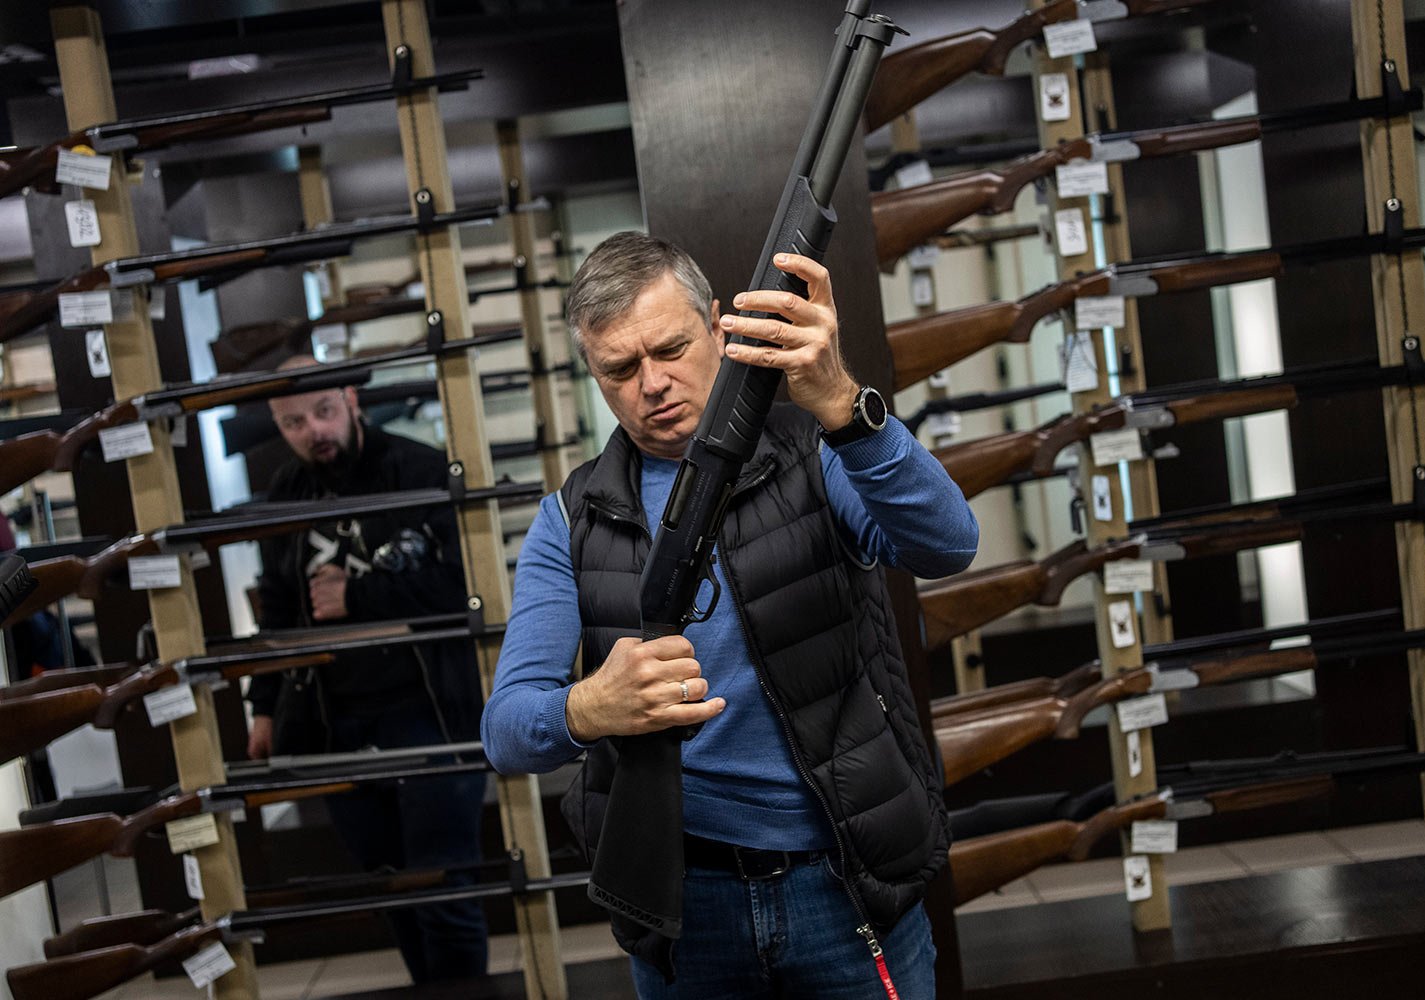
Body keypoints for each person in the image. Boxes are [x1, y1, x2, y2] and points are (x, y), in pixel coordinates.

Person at [482, 232, 978, 999]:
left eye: (671, 348)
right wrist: (589, 706)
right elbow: (508, 730)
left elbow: (949, 544)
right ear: (594, 375)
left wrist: (845, 406)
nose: (653, 383)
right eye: (620, 368)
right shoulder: (569, 519)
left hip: (842, 880)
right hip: (683, 901)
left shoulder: (815, 452)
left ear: (718, 327)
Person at [245, 360, 490, 984]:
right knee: (393, 895)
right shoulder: (285, 494)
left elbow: (468, 585)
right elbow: (277, 607)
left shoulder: (423, 470)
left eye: (323, 411)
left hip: (428, 713)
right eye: (293, 422)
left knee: (444, 889)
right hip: (336, 723)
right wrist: (264, 709)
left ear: (352, 398)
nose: (313, 431)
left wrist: (359, 599)